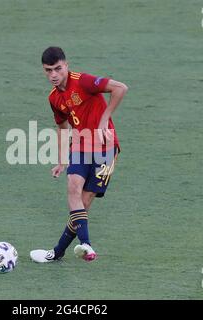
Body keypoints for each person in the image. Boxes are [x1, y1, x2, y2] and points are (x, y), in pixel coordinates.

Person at [30, 47, 128, 263]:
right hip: (81, 146)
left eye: (57, 69)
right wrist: (62, 160)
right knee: (73, 188)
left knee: (82, 204)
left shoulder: (83, 81)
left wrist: (105, 118)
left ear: (66, 65)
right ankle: (87, 246)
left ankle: (57, 252)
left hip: (106, 148)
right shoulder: (54, 98)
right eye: (48, 70)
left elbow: (120, 88)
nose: (53, 75)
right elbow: (63, 127)